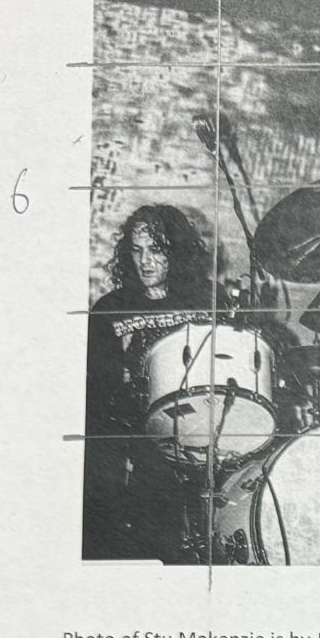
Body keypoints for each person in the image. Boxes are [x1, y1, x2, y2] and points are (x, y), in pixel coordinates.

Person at [84, 205, 217, 561]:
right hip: (139, 436)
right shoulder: (110, 308)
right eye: (136, 250)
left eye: (156, 250)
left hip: (204, 428)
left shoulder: (207, 300)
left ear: (176, 251)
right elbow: (97, 392)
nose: (145, 261)